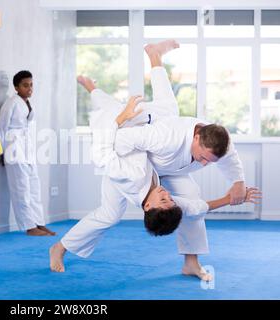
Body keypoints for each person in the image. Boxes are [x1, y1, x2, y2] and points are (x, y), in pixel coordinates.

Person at [50, 40, 259, 280]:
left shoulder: (215, 140)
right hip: (129, 154)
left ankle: (191, 263)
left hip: (138, 163)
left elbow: (196, 203)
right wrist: (119, 119)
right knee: (110, 214)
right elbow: (112, 145)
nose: (203, 165)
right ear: (198, 136)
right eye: (202, 158)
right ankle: (59, 247)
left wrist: (237, 183)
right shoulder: (158, 144)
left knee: (163, 108)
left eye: (208, 161)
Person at [0, 71, 55, 236]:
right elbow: (1, 127)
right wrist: (1, 151)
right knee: (21, 188)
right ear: (16, 87)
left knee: (34, 186)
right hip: (13, 149)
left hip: (27, 149)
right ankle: (29, 226)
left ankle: (39, 222)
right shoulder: (11, 102)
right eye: (25, 85)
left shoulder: (28, 103)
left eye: (31, 85)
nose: (29, 88)